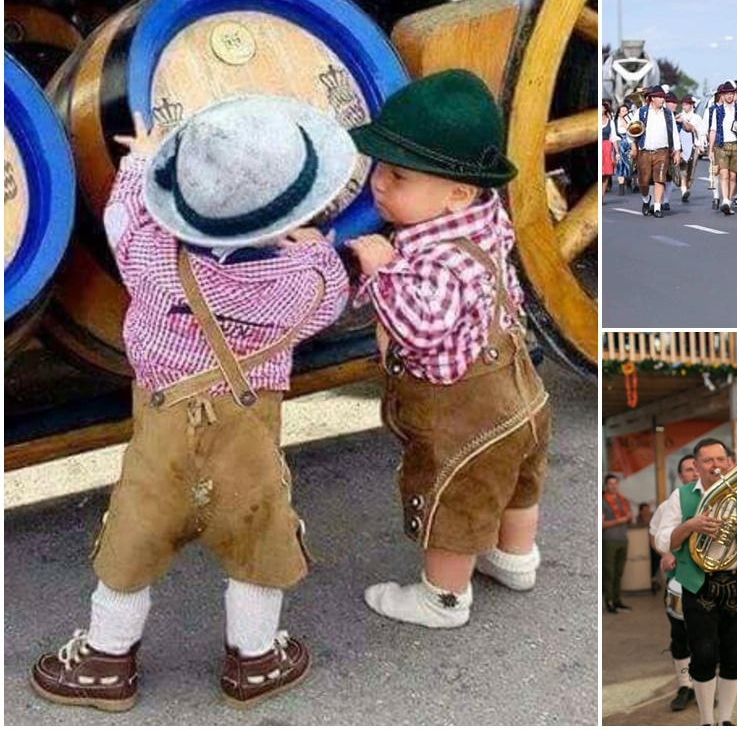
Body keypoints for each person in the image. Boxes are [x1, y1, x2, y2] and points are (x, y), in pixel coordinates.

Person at [30, 97, 352, 711]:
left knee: (134, 533)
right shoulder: (300, 282)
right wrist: (311, 245)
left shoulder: (150, 259)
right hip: (250, 425)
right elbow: (333, 293)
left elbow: (125, 217)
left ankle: (105, 660)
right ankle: (255, 661)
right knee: (256, 534)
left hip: (163, 422)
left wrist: (140, 162)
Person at [343, 72, 550, 632]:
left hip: (466, 413)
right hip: (521, 395)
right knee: (516, 482)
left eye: (398, 176)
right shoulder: (482, 221)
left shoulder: (435, 259)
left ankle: (443, 598)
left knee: (454, 497)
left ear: (456, 193)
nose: (379, 185)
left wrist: (384, 271)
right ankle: (515, 560)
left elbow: (421, 327)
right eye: (380, 170)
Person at [654, 438, 737, 727]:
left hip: (735, 583)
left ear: (729, 463)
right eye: (708, 460)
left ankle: (725, 719)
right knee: (702, 655)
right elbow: (663, 539)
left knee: (732, 656)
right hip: (699, 584)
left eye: (720, 460)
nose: (716, 466)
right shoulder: (681, 496)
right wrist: (691, 525)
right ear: (695, 465)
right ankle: (706, 721)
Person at [649, 454, 701, 711]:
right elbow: (655, 534)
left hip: (711, 583)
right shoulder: (672, 502)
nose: (694, 473)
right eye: (688, 470)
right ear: (681, 477)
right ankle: (685, 685)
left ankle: (703, 684)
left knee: (706, 639)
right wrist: (666, 553)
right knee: (679, 637)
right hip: (679, 581)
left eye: (696, 468)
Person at [633, 85, 682, 219]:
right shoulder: (641, 112)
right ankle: (646, 199)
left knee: (660, 179)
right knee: (643, 182)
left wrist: (677, 150)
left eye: (663, 97)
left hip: (662, 151)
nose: (662, 100)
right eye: (660, 97)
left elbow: (674, 133)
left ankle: (657, 207)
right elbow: (632, 129)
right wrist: (633, 146)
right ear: (652, 98)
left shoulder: (668, 113)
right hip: (645, 150)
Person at [707, 81, 737, 217]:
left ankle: (728, 201)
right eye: (727, 94)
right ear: (722, 95)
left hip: (736, 144)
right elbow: (713, 129)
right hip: (721, 145)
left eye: (731, 94)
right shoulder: (717, 110)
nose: (729, 96)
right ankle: (724, 200)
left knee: (733, 175)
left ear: (734, 95)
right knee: (723, 173)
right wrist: (710, 149)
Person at [602, 473, 633, 614]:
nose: (613, 486)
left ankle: (617, 600)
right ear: (606, 485)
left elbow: (628, 518)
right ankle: (608, 600)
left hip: (623, 539)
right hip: (609, 540)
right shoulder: (603, 501)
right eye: (610, 484)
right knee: (609, 572)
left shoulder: (623, 500)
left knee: (619, 572)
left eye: (615, 483)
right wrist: (618, 521)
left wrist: (628, 518)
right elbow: (601, 524)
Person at [676, 95, 704, 202]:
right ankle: (683, 189)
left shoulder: (697, 118)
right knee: (683, 168)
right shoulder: (679, 117)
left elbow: (701, 133)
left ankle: (687, 188)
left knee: (691, 170)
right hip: (683, 146)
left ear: (691, 105)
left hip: (695, 145)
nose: (684, 106)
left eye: (686, 104)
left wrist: (701, 145)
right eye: (683, 104)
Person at [614, 102, 634, 195]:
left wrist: (627, 126)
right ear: (619, 113)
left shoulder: (631, 119)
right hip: (620, 144)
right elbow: (614, 136)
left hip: (630, 144)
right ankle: (621, 187)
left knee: (630, 165)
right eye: (622, 111)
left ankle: (629, 182)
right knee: (620, 165)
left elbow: (634, 131)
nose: (624, 112)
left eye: (626, 110)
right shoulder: (615, 121)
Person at [601, 102, 616, 194]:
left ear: (605, 109)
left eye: (602, 108)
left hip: (606, 146)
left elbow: (613, 137)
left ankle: (602, 195)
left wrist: (617, 152)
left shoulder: (610, 122)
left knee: (605, 174)